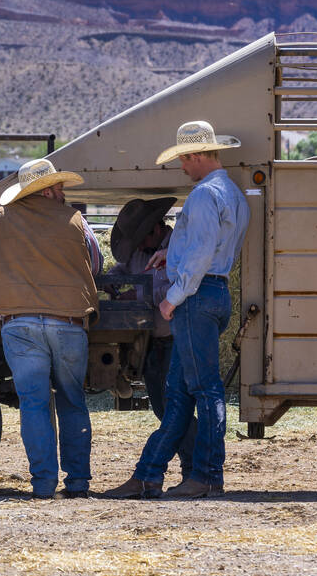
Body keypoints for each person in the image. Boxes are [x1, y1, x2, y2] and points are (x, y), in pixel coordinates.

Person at [106, 120, 249, 499]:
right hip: (214, 294)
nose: (183, 169)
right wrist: (172, 254)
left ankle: (203, 474)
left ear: (196, 156)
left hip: (196, 297)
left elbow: (201, 253)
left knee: (202, 390)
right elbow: (214, 246)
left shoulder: (203, 196)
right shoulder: (232, 194)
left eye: (184, 161)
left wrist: (174, 295)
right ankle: (150, 473)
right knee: (181, 392)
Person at [0, 158, 102, 499]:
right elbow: (96, 262)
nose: (61, 192)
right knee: (72, 401)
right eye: (56, 187)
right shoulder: (76, 220)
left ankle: (43, 484)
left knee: (34, 404)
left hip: (19, 320)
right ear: (44, 191)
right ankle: (78, 484)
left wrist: (11, 277)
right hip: (70, 320)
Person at [107, 197, 196, 479]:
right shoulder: (140, 251)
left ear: (156, 229)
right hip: (151, 340)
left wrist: (134, 295)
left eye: (141, 238)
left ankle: (193, 463)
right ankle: (193, 464)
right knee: (162, 406)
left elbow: (166, 291)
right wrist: (109, 280)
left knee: (172, 407)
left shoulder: (178, 248)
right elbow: (122, 271)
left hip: (174, 337)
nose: (139, 246)